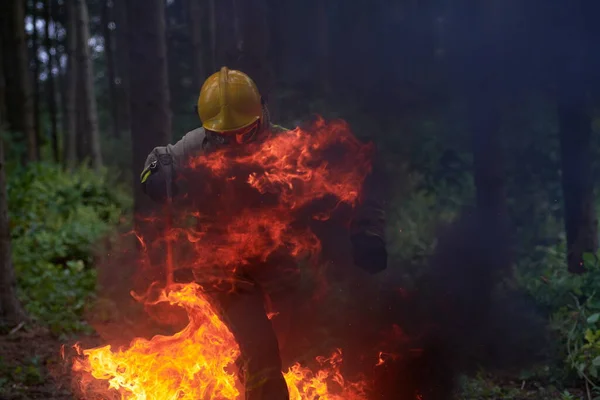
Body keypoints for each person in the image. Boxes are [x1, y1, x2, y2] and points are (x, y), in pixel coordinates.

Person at [140, 66, 387, 400]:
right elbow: (157, 164)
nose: (237, 142)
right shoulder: (196, 145)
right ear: (210, 128)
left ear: (262, 114)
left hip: (279, 269)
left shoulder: (289, 148)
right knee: (262, 350)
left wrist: (367, 232)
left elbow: (352, 185)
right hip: (223, 273)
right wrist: (156, 176)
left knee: (279, 350)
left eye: (245, 132)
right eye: (226, 136)